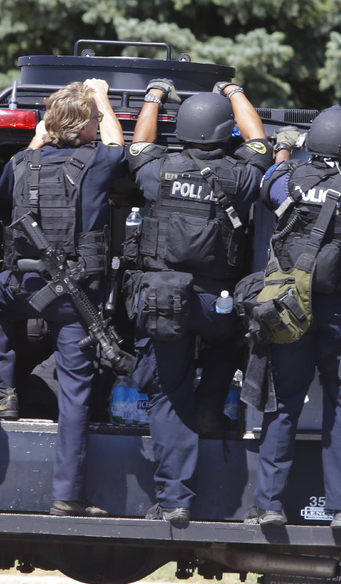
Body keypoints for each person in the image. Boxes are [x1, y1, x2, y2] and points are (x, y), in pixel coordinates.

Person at [244, 106, 341, 531]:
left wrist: (283, 151)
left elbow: (268, 184)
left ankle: (270, 505)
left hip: (289, 311)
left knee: (283, 406)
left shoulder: (286, 180)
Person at [126, 80, 274, 523]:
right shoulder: (241, 173)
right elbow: (260, 141)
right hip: (216, 302)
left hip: (164, 299)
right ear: (223, 131)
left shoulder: (159, 171)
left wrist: (153, 96)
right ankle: (211, 407)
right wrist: (232, 90)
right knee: (232, 341)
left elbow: (139, 144)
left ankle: (174, 501)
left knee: (169, 396)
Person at [0, 79, 126, 517]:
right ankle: (67, 497)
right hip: (71, 297)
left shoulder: (21, 163)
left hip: (17, 287)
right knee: (75, 398)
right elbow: (119, 147)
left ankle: (4, 389)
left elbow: (0, 194)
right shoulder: (97, 163)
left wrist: (37, 138)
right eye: (94, 120)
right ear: (86, 126)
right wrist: (101, 97)